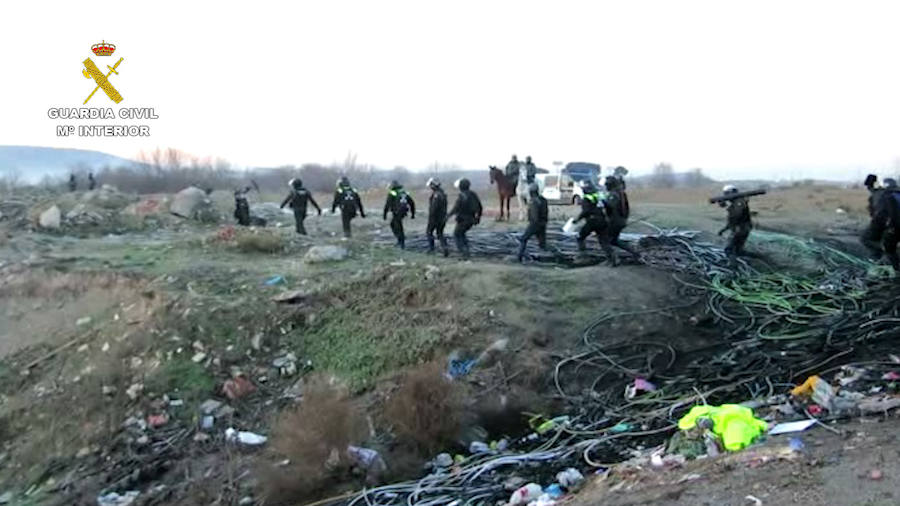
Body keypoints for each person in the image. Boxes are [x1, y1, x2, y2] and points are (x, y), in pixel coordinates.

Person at [573, 180, 617, 264]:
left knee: (580, 237)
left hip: (592, 221)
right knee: (603, 241)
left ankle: (583, 256)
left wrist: (577, 219)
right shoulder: (599, 197)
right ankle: (612, 259)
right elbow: (608, 207)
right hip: (602, 221)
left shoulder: (586, 199)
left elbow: (586, 211)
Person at [604, 175, 640, 261]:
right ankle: (635, 253)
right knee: (614, 241)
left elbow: (611, 205)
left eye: (606, 185)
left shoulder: (614, 194)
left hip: (615, 221)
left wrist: (603, 201)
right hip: (620, 220)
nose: (605, 187)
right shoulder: (621, 193)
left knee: (605, 240)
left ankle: (613, 259)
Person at [447, 178, 482, 259]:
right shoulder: (473, 194)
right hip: (471, 219)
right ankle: (467, 251)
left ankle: (464, 254)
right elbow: (480, 207)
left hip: (463, 220)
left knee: (456, 235)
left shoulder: (462, 196)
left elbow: (455, 208)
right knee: (462, 234)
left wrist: (447, 216)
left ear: (461, 187)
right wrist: (478, 218)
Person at [872, 178, 900, 271]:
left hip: (895, 226)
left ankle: (895, 270)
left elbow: (887, 214)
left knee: (889, 248)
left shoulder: (887, 196)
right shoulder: (898, 194)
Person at [717, 185, 752, 258]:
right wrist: (724, 229)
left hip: (741, 228)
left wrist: (726, 206)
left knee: (729, 249)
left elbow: (736, 216)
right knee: (736, 249)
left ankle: (732, 263)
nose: (725, 196)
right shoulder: (736, 202)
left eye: (726, 194)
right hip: (741, 228)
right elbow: (732, 219)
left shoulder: (739, 202)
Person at [517, 183, 548, 262]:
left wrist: (532, 224)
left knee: (523, 239)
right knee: (542, 245)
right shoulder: (543, 200)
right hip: (543, 224)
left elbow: (534, 216)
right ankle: (546, 258)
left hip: (535, 224)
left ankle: (519, 257)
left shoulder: (534, 202)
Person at [861, 175, 889, 259]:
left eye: (868, 186)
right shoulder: (885, 192)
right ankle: (878, 257)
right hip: (890, 222)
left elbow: (880, 212)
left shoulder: (878, 194)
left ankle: (886, 250)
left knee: (865, 239)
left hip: (883, 222)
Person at [383, 180, 416, 249]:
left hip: (397, 212)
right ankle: (400, 240)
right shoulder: (404, 192)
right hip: (403, 211)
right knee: (394, 224)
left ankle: (401, 243)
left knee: (397, 226)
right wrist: (413, 213)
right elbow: (412, 203)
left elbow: (387, 204)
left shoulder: (392, 193)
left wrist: (384, 214)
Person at [425, 177, 449, 256]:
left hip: (435, 218)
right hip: (443, 217)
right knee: (440, 233)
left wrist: (431, 217)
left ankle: (431, 249)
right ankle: (445, 248)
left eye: (431, 185)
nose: (430, 187)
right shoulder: (443, 194)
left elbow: (434, 208)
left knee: (429, 232)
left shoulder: (436, 195)